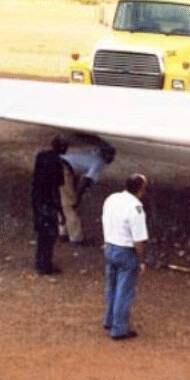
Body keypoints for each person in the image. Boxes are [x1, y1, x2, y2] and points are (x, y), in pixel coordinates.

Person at [101, 174, 149, 340]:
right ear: (141, 189)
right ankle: (119, 328)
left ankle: (109, 319)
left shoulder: (112, 198)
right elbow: (138, 239)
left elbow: (105, 220)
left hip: (110, 246)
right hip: (125, 251)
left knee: (112, 286)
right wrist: (141, 260)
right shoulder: (136, 208)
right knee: (124, 291)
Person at [59, 143, 116, 245]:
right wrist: (78, 197)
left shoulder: (92, 155)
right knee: (70, 205)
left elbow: (77, 173)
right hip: (62, 168)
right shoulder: (99, 162)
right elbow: (86, 181)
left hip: (57, 164)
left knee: (63, 202)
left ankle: (63, 232)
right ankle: (76, 237)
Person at [32, 135, 68, 275]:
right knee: (50, 236)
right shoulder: (57, 163)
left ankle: (39, 261)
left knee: (42, 234)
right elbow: (56, 189)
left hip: (37, 199)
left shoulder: (41, 156)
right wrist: (60, 210)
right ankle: (45, 265)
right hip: (48, 203)